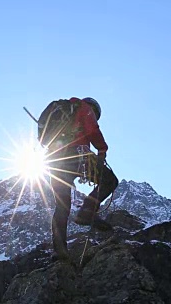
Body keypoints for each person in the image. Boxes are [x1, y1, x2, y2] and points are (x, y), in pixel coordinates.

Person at [41, 97, 119, 262]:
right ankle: (87, 211)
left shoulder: (62, 111)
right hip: (77, 155)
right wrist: (102, 149)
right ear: (94, 109)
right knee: (110, 180)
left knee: (62, 206)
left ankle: (59, 251)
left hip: (54, 161)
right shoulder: (85, 107)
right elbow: (92, 130)